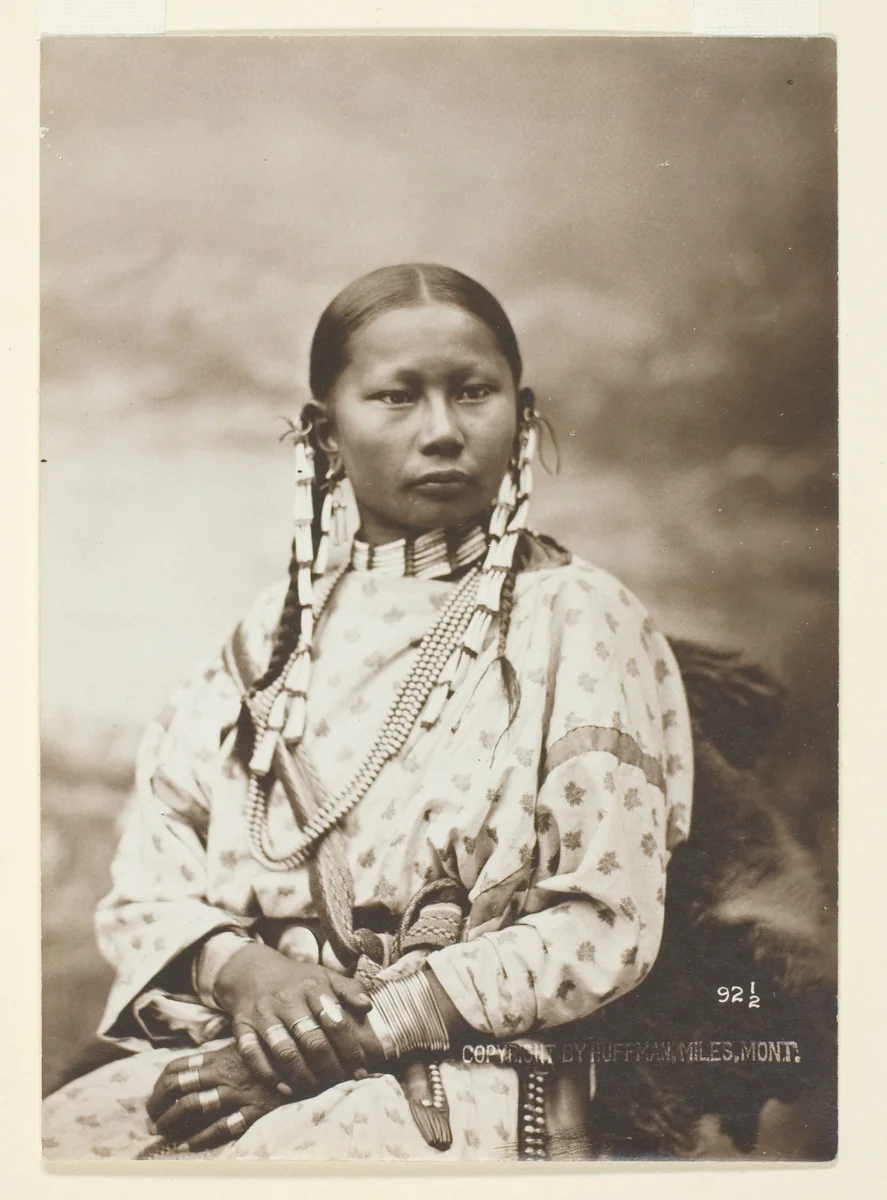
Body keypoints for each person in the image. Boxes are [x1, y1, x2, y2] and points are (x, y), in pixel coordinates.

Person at [42, 263, 693, 1162]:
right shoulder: (267, 641)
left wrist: (356, 1032)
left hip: (470, 1078)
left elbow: (603, 921)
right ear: (326, 431)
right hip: (236, 1049)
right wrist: (247, 972)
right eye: (396, 396)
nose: (442, 430)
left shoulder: (577, 621)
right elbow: (150, 884)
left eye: (473, 392)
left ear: (522, 412)